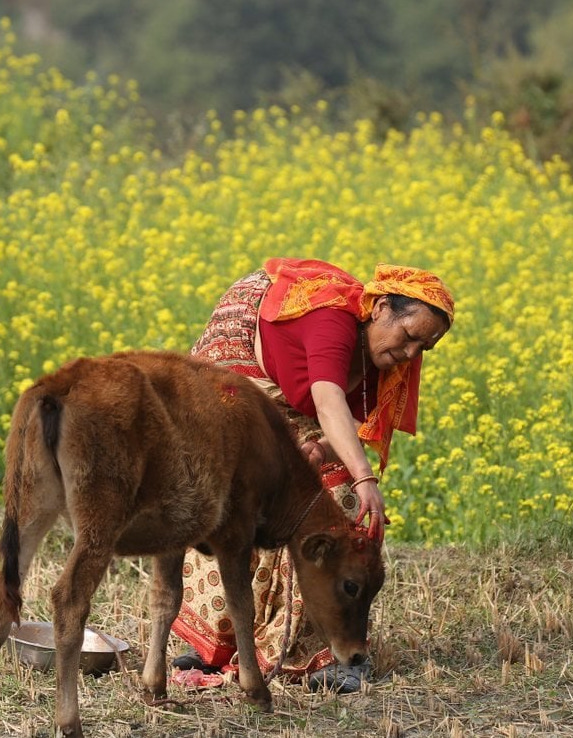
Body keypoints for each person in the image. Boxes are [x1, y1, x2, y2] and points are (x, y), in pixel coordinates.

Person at [169, 257, 454, 692]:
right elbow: (327, 402)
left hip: (298, 399)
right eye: (410, 336)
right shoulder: (331, 322)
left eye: (423, 348)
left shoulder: (389, 359)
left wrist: (319, 451)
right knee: (238, 501)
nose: (411, 353)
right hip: (235, 378)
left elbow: (345, 425)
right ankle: (217, 645)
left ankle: (319, 654)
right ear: (379, 310)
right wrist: (365, 479)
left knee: (334, 503)